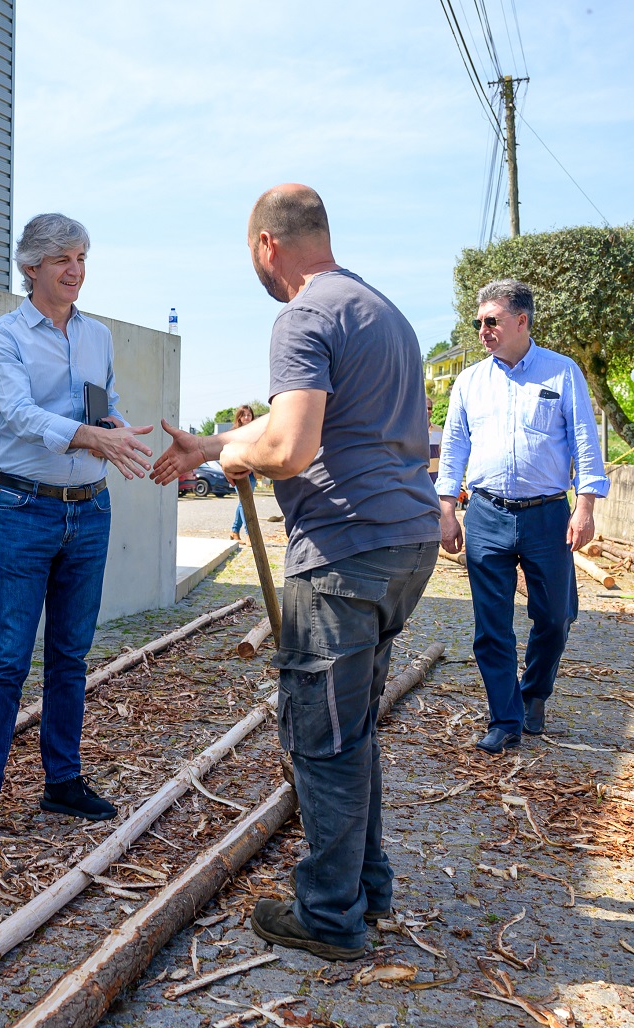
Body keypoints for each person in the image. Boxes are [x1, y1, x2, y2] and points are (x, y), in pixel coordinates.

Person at [151, 185, 439, 962]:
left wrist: (238, 455)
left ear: (264, 246)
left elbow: (288, 449)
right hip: (402, 546)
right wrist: (209, 446)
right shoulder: (379, 310)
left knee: (321, 740)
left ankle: (328, 916)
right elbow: (302, 425)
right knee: (354, 731)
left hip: (344, 553)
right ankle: (366, 890)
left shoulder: (301, 315)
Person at [0, 213, 155, 844]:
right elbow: (16, 413)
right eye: (63, 259)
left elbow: (101, 403)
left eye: (83, 258)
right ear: (30, 266)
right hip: (25, 508)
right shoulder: (1, 336)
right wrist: (92, 435)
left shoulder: (100, 337)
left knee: (71, 656)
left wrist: (116, 431)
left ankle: (62, 782)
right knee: (8, 659)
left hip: (90, 508)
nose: (76, 270)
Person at [436, 278, 608, 754]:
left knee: (554, 617)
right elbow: (453, 449)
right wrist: (447, 509)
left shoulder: (561, 373)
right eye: (478, 322)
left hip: (547, 516)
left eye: (491, 321)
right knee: (491, 626)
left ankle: (534, 693)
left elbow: (585, 443)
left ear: (521, 321)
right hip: (487, 514)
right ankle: (505, 718)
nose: (482, 330)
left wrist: (586, 506)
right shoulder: (470, 381)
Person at [229, 404, 258, 542]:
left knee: (243, 501)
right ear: (239, 417)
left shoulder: (256, 431)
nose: (247, 417)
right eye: (244, 415)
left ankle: (234, 531)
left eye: (249, 415)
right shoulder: (235, 433)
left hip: (252, 471)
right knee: (245, 501)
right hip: (239, 472)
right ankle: (250, 535)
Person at [426, 398, 443, 483]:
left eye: (429, 408)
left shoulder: (439, 430)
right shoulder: (412, 430)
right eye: (424, 408)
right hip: (418, 479)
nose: (427, 411)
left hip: (435, 479)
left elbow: (442, 454)